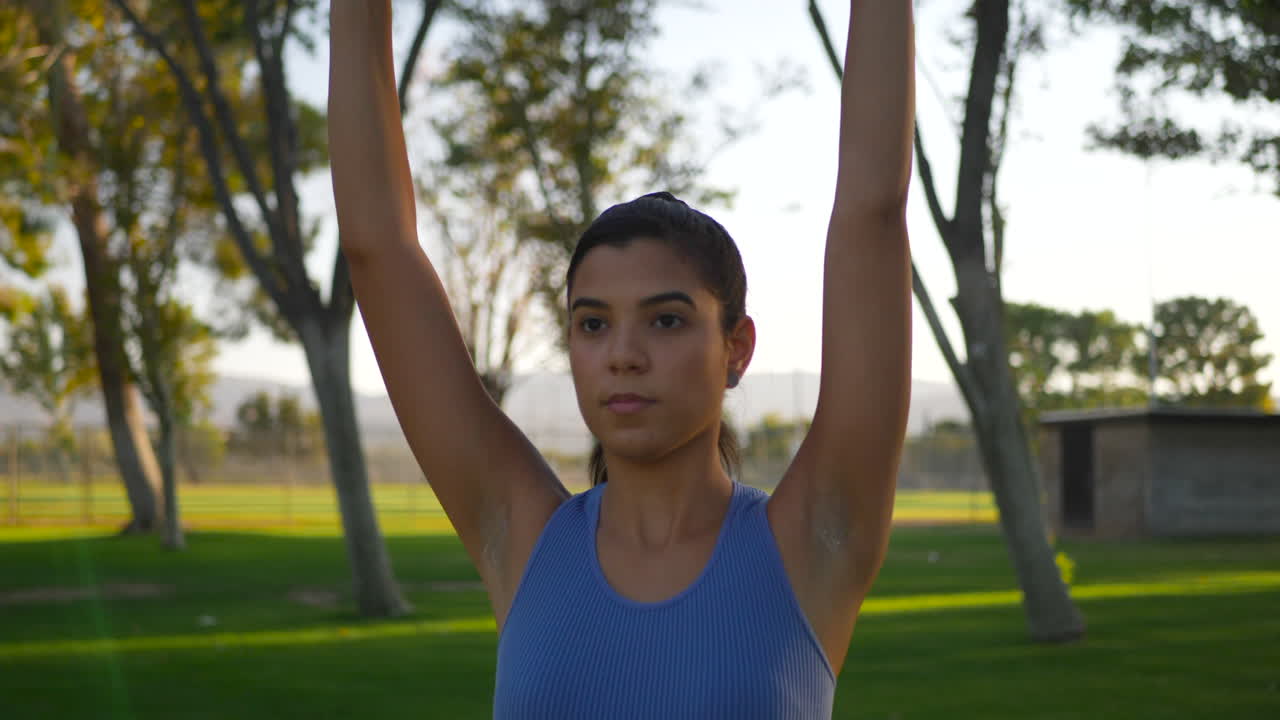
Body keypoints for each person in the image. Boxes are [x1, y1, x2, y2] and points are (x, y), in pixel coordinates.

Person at [329, 1, 913, 717]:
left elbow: (872, 212)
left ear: (736, 349)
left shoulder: (815, 540)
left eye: (666, 321)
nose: (623, 356)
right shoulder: (522, 536)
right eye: (593, 324)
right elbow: (377, 249)